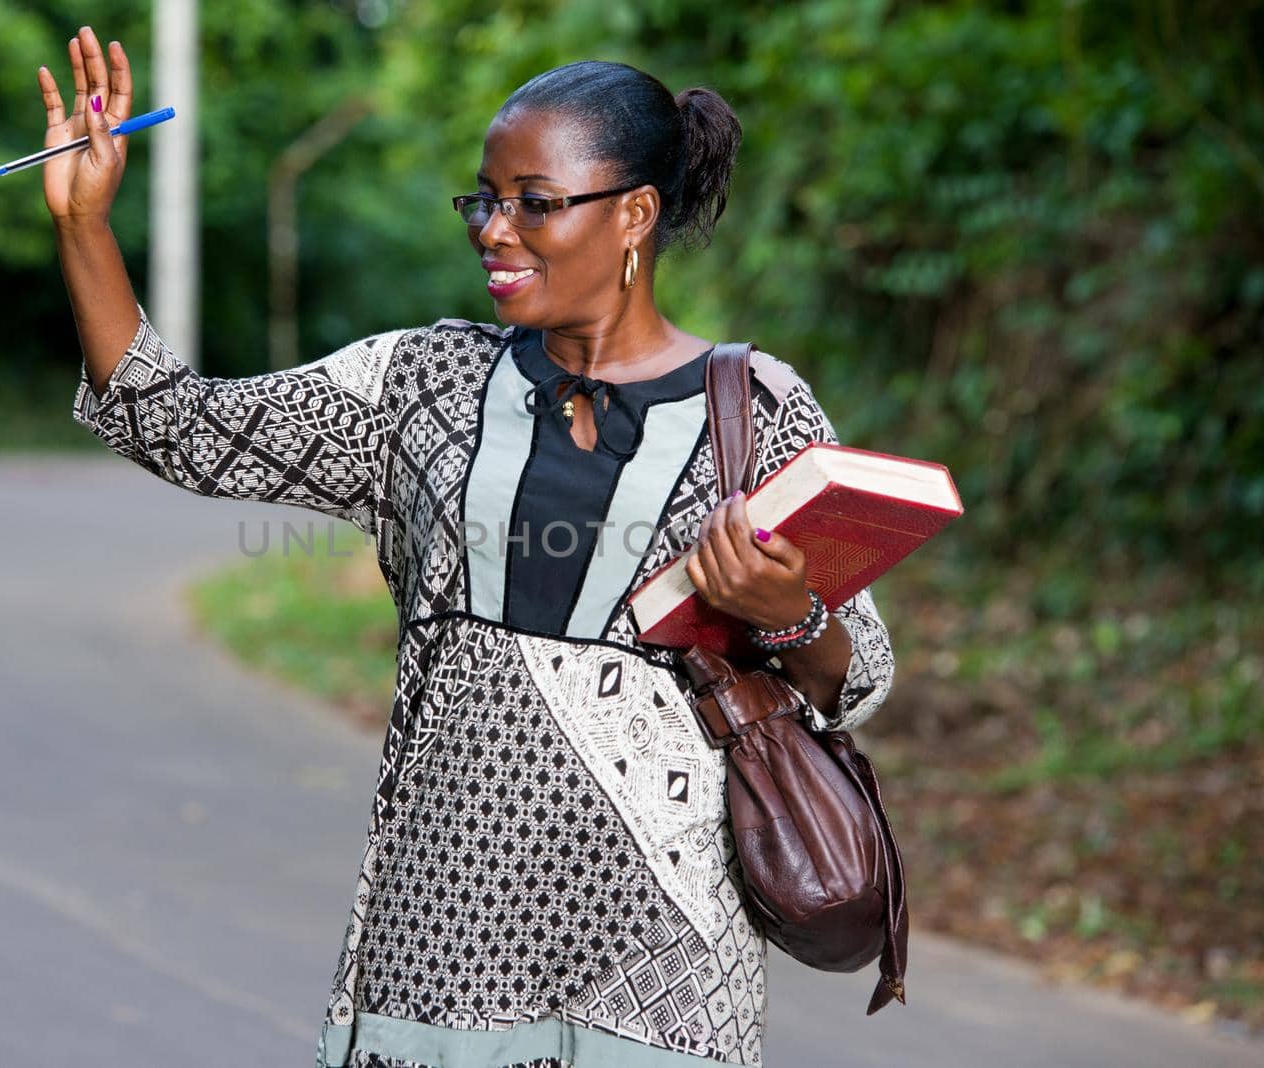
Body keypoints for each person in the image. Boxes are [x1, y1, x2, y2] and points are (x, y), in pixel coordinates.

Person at [44, 25, 894, 1068]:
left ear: (633, 214)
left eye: (534, 203)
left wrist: (786, 613)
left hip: (662, 959)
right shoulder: (419, 383)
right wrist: (86, 224)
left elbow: (854, 672)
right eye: (482, 199)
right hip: (437, 935)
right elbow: (171, 421)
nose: (493, 228)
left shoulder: (755, 411)